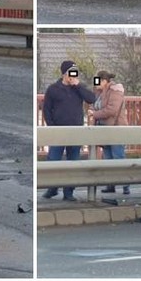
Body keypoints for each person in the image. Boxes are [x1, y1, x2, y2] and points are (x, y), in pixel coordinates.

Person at [42, 60, 96, 202]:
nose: (73, 75)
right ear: (64, 74)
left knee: (73, 161)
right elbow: (47, 110)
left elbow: (91, 99)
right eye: (71, 72)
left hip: (75, 131)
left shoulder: (79, 88)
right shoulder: (53, 89)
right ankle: (52, 188)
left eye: (75, 72)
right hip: (58, 130)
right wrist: (52, 127)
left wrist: (77, 85)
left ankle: (68, 192)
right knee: (53, 160)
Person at [88, 70, 129, 194]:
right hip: (104, 127)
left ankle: (125, 185)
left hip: (116, 128)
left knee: (118, 157)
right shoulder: (99, 92)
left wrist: (95, 114)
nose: (96, 84)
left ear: (104, 81)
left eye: (98, 81)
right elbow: (95, 105)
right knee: (108, 157)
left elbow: (112, 110)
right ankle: (111, 185)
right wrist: (92, 110)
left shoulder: (115, 91)